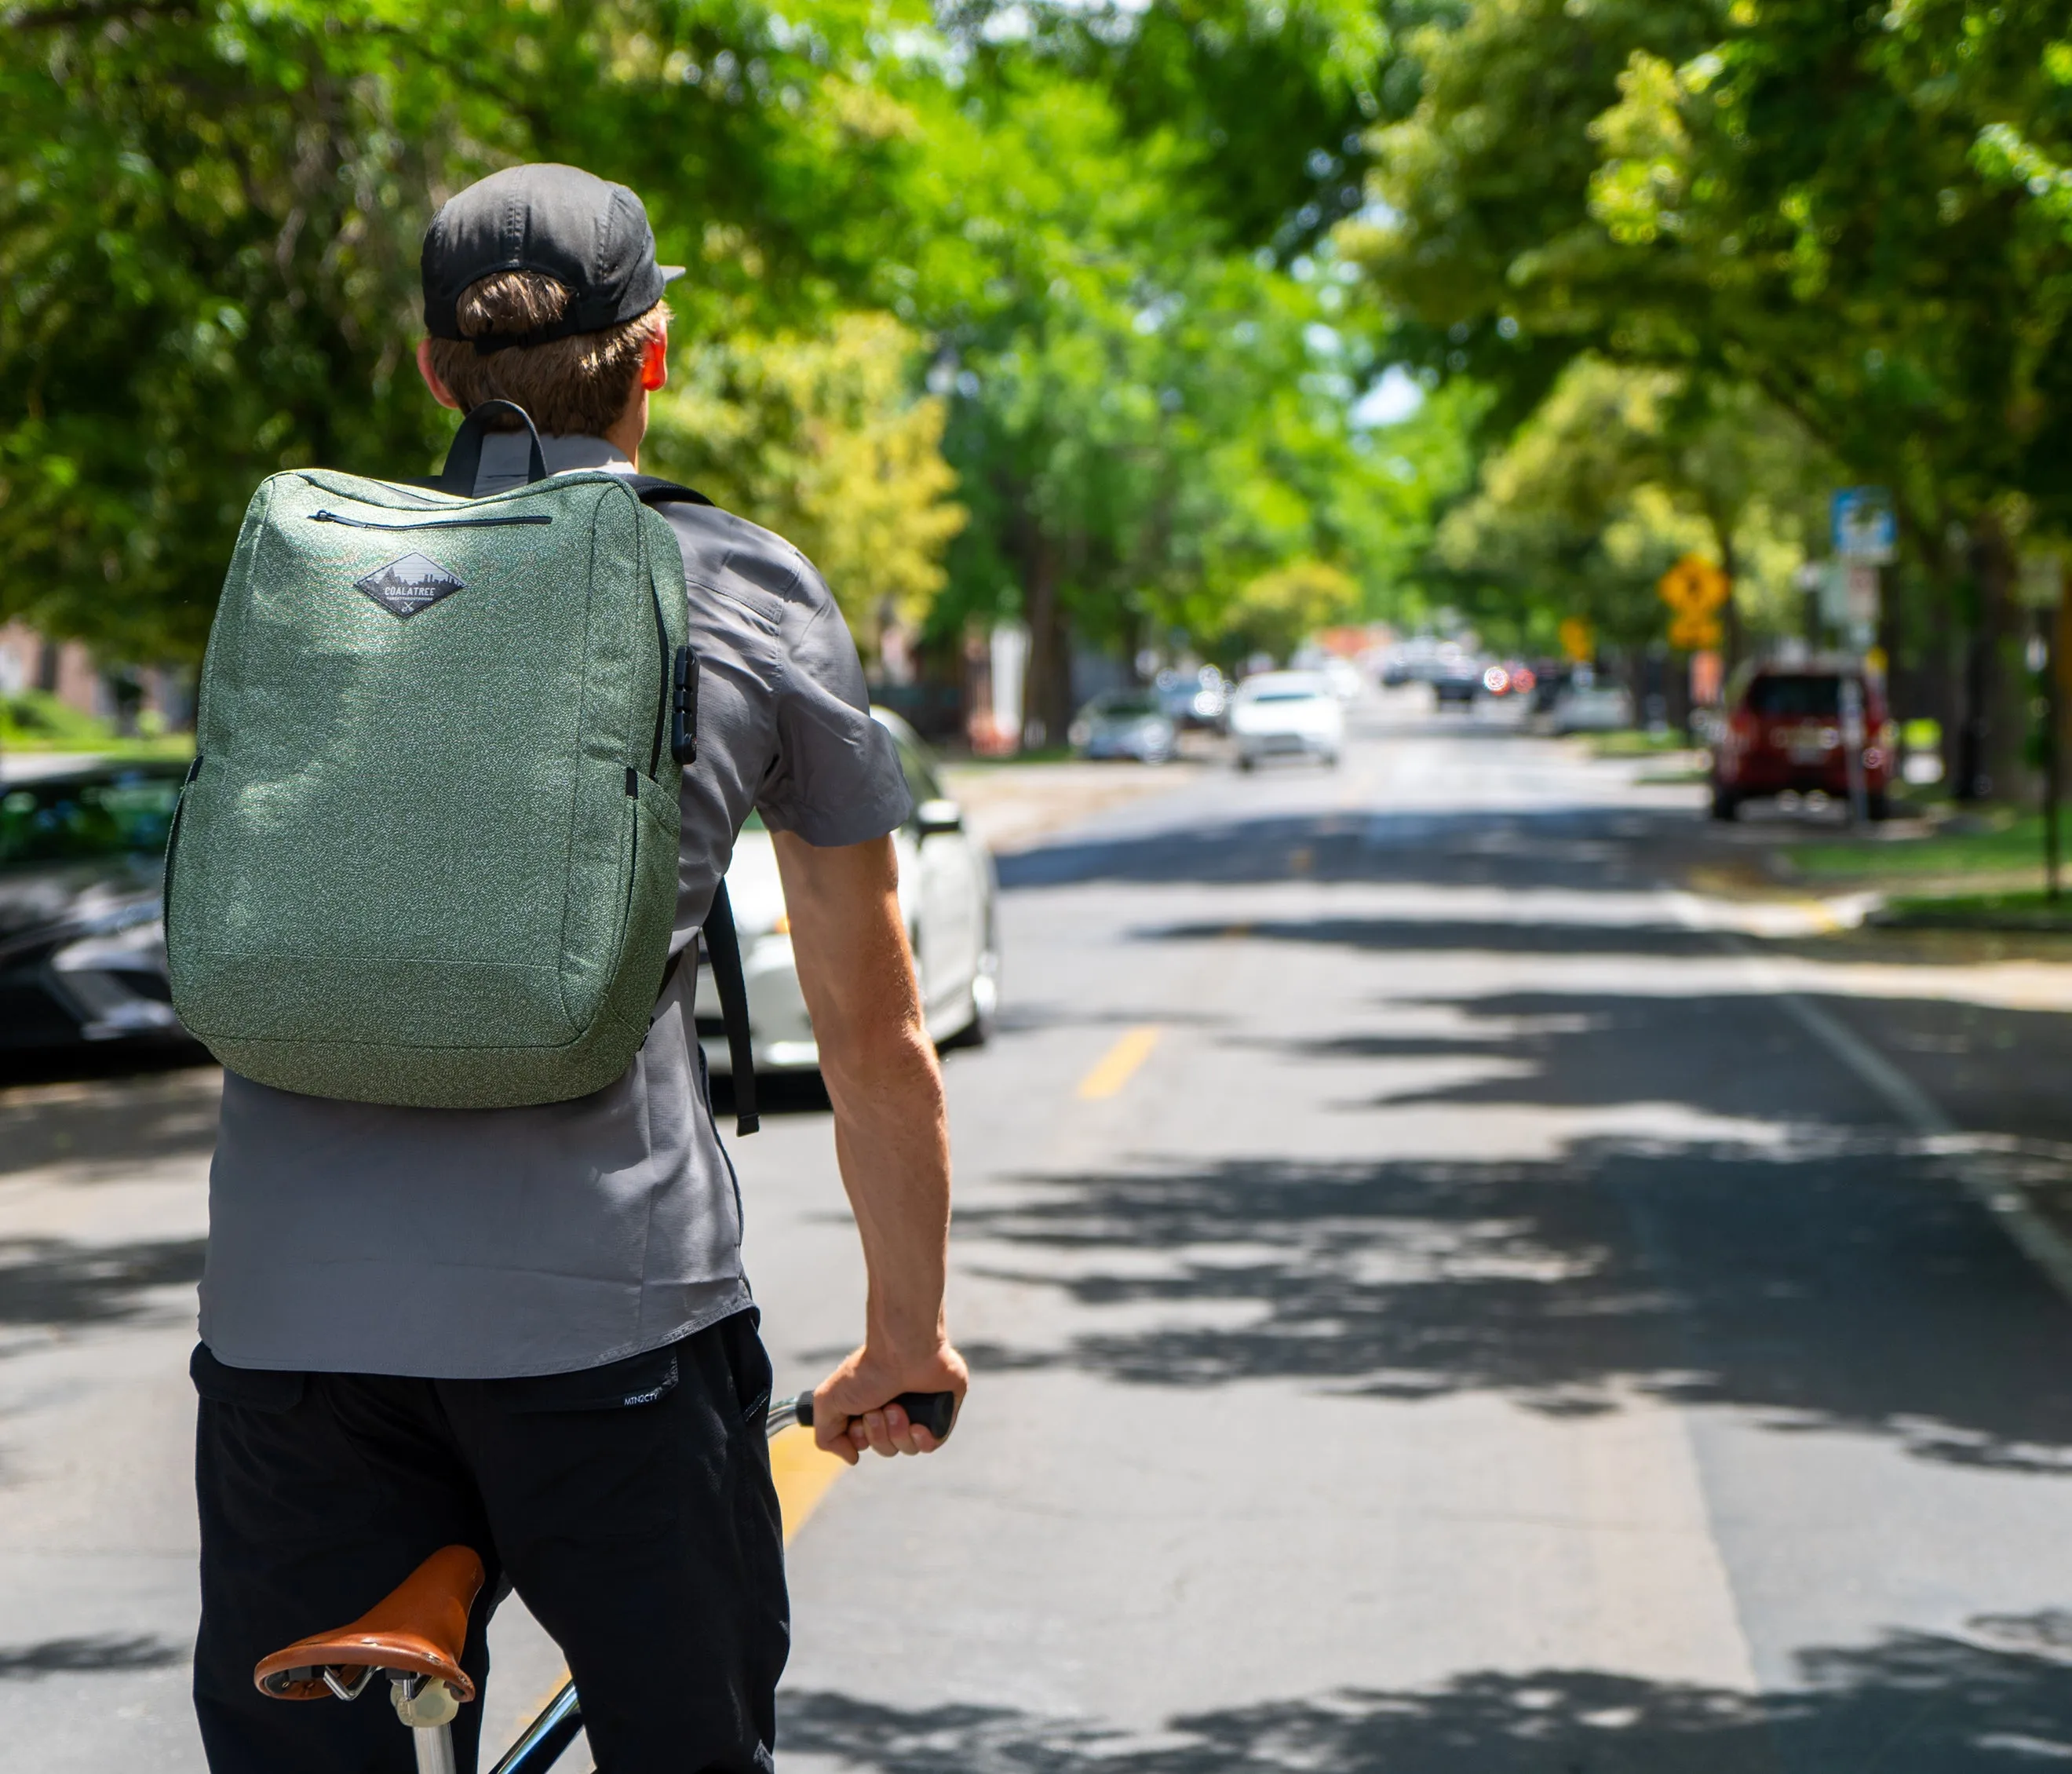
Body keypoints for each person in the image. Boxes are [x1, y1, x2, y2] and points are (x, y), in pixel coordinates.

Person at [188, 162, 967, 1774]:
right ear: (655, 356)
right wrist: (906, 1337)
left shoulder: (306, 572)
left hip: (286, 1333)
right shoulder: (744, 586)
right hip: (612, 1327)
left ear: (430, 370)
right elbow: (873, 1033)